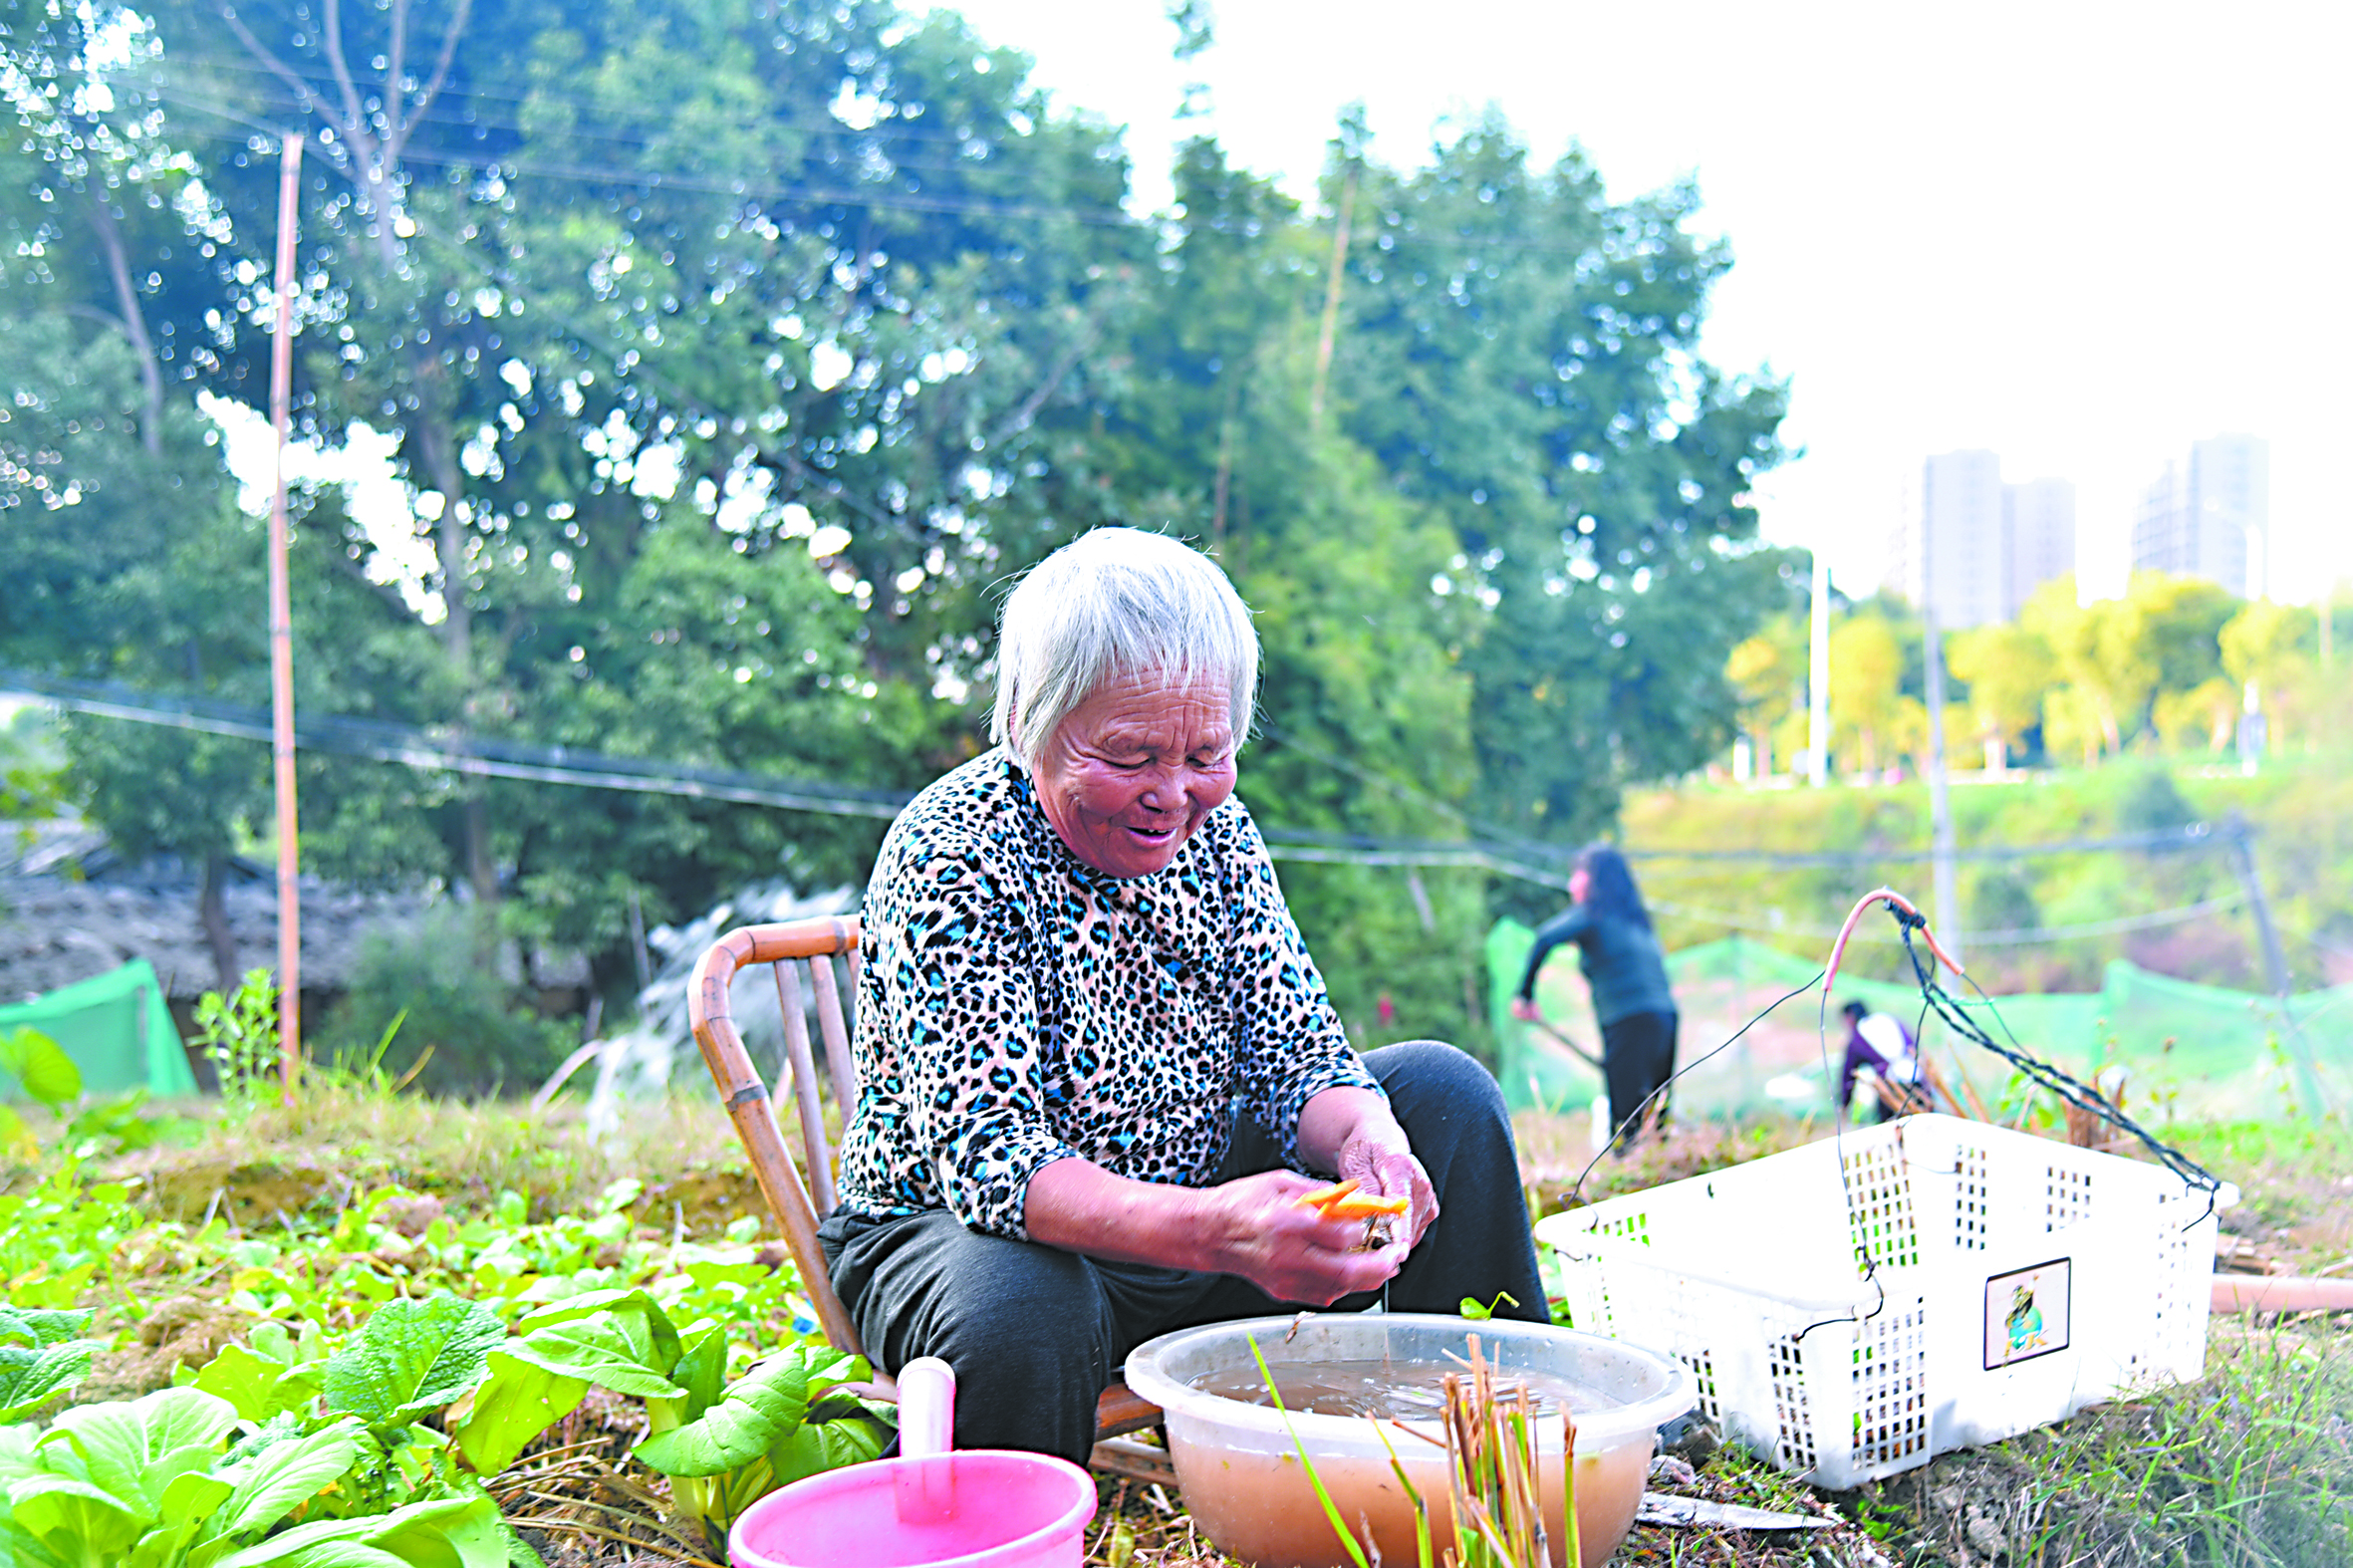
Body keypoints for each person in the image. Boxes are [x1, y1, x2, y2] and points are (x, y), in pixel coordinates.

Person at [821, 527, 1546, 1464]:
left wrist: (1370, 1138)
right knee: (1027, 1303)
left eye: (1207, 753)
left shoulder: (1220, 836)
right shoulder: (956, 853)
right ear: (1029, 726)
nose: (1173, 794)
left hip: (1194, 1229)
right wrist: (1225, 1231)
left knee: (1440, 1096)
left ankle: (1501, 1458)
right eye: (1128, 757)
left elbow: (1296, 1051)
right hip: (974, 1241)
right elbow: (996, 1168)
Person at [1509, 846, 1677, 1150]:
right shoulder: (1636, 921)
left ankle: (1632, 1173)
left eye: (1578, 874)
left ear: (1595, 881)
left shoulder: (1592, 914)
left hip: (1628, 1020)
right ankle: (1661, 1164)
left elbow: (1544, 938)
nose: (1572, 883)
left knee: (1628, 1119)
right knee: (1656, 1110)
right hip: (1664, 1016)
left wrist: (1524, 996)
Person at [1838, 998, 1923, 1122]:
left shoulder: (1857, 1038)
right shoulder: (1888, 1019)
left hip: (1893, 1088)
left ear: (1849, 1017)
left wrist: (1844, 1105)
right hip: (1918, 1080)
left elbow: (1848, 1075)